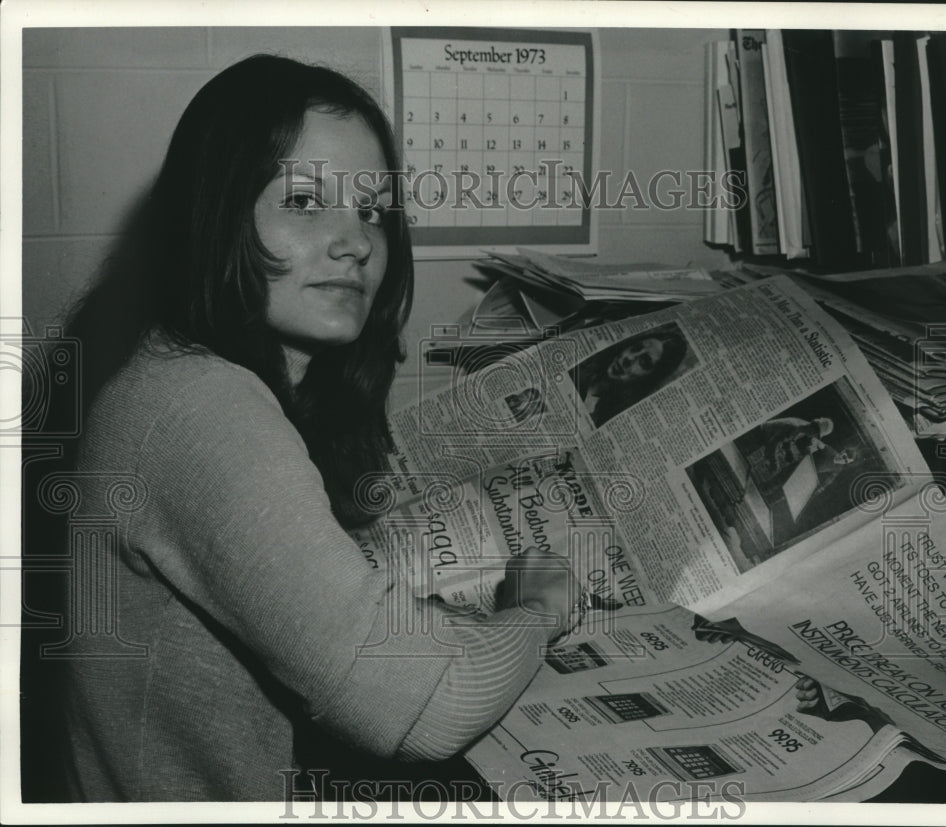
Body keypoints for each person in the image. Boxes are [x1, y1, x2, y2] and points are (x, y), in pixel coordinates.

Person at [57, 54, 582, 802]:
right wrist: (540, 606)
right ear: (215, 212)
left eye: (372, 210)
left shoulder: (178, 366)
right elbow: (430, 708)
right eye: (305, 201)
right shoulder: (199, 405)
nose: (357, 241)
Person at [574, 325, 690, 427]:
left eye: (644, 362)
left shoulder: (612, 418)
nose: (629, 358)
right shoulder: (581, 364)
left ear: (649, 378)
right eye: (636, 348)